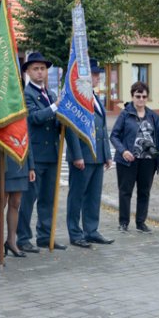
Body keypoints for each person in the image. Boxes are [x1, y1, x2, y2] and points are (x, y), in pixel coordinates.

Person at [63, 60, 116, 246]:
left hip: (97, 156)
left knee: (93, 196)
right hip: (83, 156)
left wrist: (107, 154)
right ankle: (75, 233)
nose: (97, 77)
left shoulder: (94, 97)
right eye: (94, 74)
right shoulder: (77, 100)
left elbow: (102, 128)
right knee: (76, 196)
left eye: (98, 74)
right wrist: (77, 155)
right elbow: (72, 129)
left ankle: (91, 230)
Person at [17, 52, 65, 252]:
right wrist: (55, 107)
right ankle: (23, 238)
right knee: (29, 199)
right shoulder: (26, 95)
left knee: (48, 198)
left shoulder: (51, 94)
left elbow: (55, 121)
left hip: (52, 154)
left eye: (43, 69)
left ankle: (45, 236)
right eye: (35, 69)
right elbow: (34, 118)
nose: (39, 72)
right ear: (27, 72)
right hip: (35, 155)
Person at [110, 81, 159, 233]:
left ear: (147, 98)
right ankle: (123, 222)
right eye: (138, 96)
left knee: (144, 192)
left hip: (148, 161)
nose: (141, 99)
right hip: (128, 160)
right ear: (132, 96)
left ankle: (141, 223)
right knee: (125, 191)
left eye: (144, 96)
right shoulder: (125, 114)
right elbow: (114, 136)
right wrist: (123, 151)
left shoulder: (153, 116)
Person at [0, 152, 35, 257]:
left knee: (16, 202)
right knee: (0, 203)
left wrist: (31, 167)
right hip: (4, 159)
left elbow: (27, 140)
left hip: (20, 160)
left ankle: (11, 241)